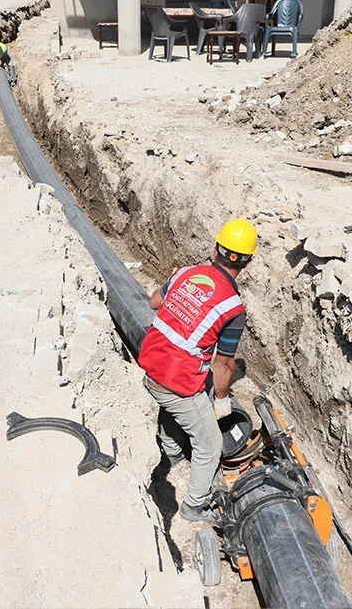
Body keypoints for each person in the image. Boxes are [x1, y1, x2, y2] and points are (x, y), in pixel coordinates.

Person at [137, 218, 258, 523]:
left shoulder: (187, 273)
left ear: (216, 248)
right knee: (210, 443)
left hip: (150, 363)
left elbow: (154, 301)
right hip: (175, 381)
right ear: (247, 262)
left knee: (174, 403)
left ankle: (172, 452)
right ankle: (194, 506)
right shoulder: (233, 308)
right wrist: (221, 401)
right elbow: (223, 363)